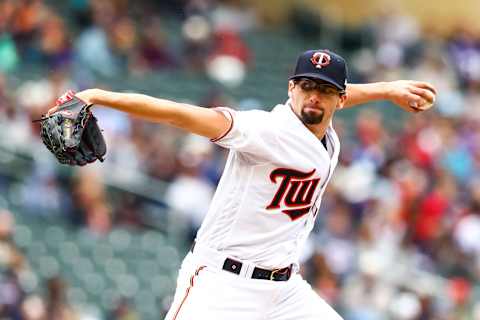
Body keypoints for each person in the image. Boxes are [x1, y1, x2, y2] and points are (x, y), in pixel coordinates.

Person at [47, 49, 436, 319]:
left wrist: (387, 90)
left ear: (339, 97)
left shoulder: (326, 128)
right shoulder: (264, 130)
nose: (313, 97)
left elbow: (336, 102)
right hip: (223, 286)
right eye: (305, 86)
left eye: (324, 90)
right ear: (290, 88)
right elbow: (179, 115)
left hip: (285, 290)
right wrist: (97, 95)